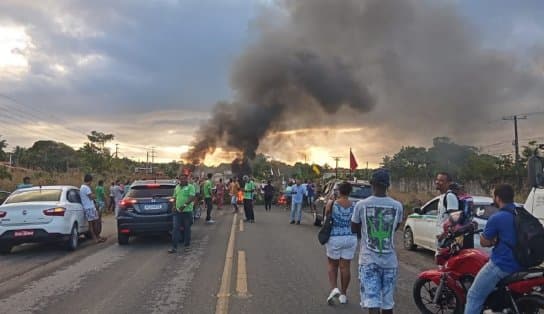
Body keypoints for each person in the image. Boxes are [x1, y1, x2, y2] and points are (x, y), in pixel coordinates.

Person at [351, 169, 403, 314]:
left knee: (372, 301)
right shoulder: (397, 206)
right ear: (388, 185)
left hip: (368, 261)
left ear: (371, 184)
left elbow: (354, 227)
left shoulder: (361, 205)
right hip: (390, 261)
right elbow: (395, 228)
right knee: (387, 303)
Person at [464, 184, 521, 314]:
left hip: (502, 264)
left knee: (474, 295)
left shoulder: (497, 217)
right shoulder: (521, 213)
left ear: (498, 198)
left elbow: (484, 242)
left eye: (493, 196)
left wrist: (492, 241)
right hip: (522, 263)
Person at [324, 182, 358, 305]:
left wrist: (331, 201)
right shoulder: (354, 206)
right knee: (345, 267)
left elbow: (327, 217)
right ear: (350, 192)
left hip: (335, 237)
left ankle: (334, 289)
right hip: (350, 237)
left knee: (332, 265)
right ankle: (343, 294)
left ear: (338, 191)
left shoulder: (332, 203)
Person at [168, 174, 196, 254]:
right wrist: (173, 206)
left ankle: (187, 246)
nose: (183, 180)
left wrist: (183, 206)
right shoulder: (177, 187)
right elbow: (174, 197)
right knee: (175, 229)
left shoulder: (191, 187)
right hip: (177, 212)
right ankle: (174, 247)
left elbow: (191, 197)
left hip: (187, 212)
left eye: (184, 179)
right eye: (181, 179)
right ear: (179, 179)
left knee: (187, 229)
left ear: (187, 179)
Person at [79, 174, 106, 243]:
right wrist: (95, 196)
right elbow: (91, 197)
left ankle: (97, 237)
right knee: (95, 222)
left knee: (91, 223)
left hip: (87, 207)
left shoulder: (82, 187)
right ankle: (96, 237)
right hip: (90, 207)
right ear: (90, 180)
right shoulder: (86, 188)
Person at [435, 172, 459, 247]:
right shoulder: (443, 196)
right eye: (437, 180)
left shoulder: (450, 196)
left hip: (446, 240)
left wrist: (443, 235)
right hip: (441, 238)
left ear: (449, 183)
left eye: (441, 180)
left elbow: (454, 219)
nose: (437, 182)